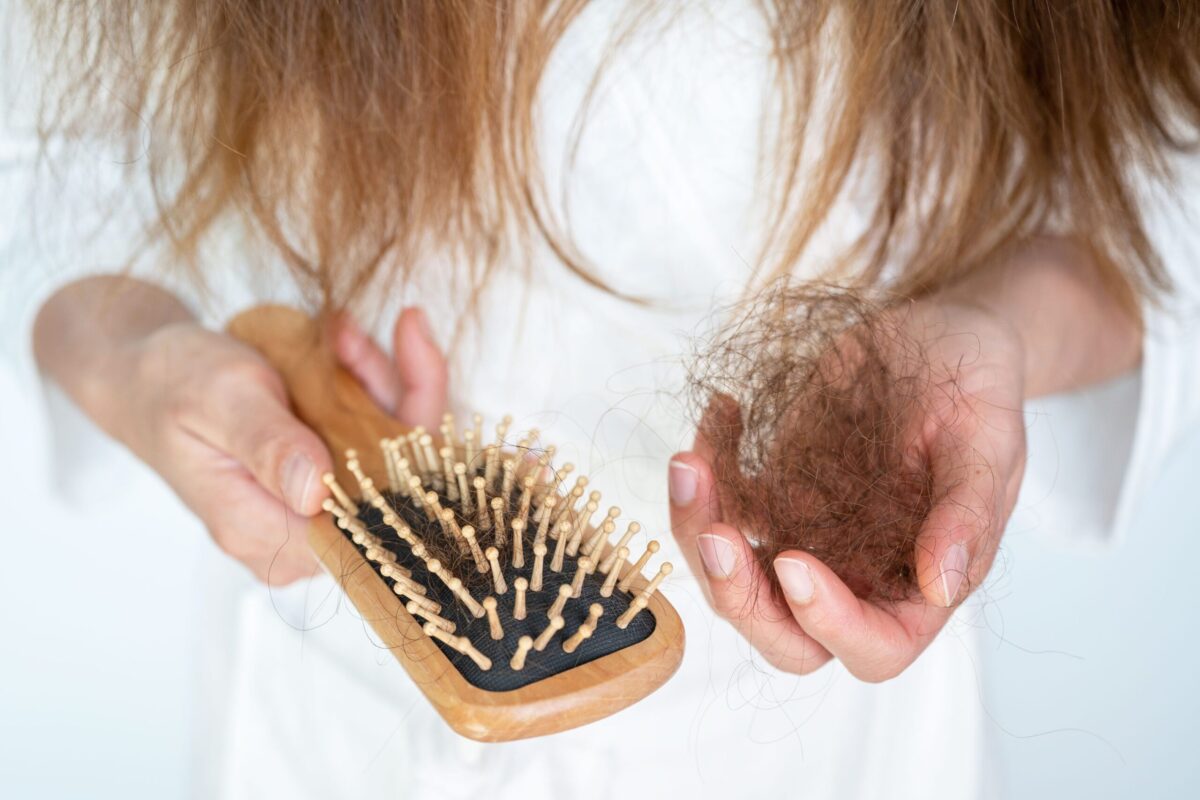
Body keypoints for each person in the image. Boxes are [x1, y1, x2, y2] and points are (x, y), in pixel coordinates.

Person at [7, 2, 1200, 797]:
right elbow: (58, 154)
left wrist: (993, 328)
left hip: (820, 746)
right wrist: (137, 356)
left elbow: (1151, 185)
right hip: (347, 721)